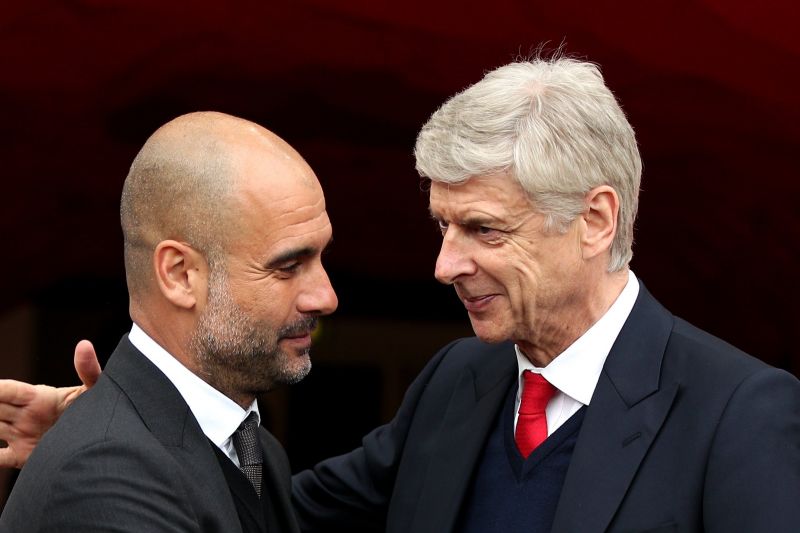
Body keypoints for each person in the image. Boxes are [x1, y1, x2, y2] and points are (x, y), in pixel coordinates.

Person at [3, 57, 800, 532]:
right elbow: (276, 512)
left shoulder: (741, 414)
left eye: (483, 229)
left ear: (595, 220)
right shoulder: (458, 381)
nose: (445, 263)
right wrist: (136, 429)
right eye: (443, 226)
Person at [0, 111, 337, 532]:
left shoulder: (256, 450)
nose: (326, 297)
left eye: (321, 257)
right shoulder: (102, 479)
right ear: (179, 275)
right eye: (288, 266)